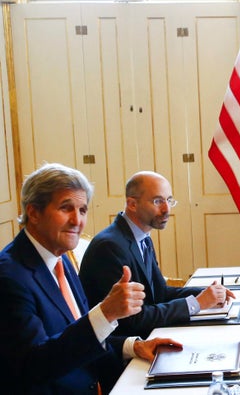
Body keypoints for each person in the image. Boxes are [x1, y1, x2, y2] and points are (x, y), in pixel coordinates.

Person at [0, 163, 181, 394]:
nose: (77, 221)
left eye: (82, 210)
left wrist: (133, 346)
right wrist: (106, 312)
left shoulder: (60, 259)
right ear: (34, 212)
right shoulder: (10, 277)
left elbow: (77, 334)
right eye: (66, 208)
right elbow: (35, 365)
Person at [80, 171, 234, 338]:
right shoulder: (110, 246)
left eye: (169, 200)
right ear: (132, 204)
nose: (166, 209)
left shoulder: (142, 238)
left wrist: (207, 293)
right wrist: (196, 303)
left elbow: (159, 294)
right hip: (121, 351)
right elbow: (132, 320)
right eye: (157, 201)